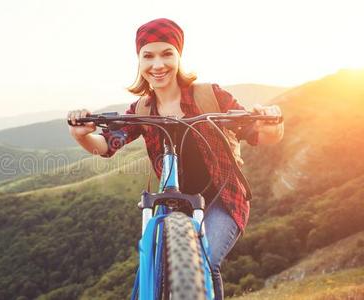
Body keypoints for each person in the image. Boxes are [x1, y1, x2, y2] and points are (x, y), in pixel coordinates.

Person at [67, 18, 283, 299]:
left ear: (179, 57)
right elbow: (107, 145)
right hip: (175, 205)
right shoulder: (142, 108)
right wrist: (81, 135)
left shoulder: (211, 96)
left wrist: (273, 125)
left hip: (223, 199)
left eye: (167, 53)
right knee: (160, 270)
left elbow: (258, 134)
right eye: (148, 56)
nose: (158, 65)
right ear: (139, 61)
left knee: (206, 259)